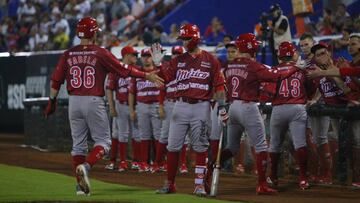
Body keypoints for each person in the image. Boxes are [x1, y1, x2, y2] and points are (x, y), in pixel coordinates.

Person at [44, 17, 163, 196]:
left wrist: (51, 101)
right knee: (104, 142)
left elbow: (55, 81)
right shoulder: (99, 52)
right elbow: (125, 69)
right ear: (93, 33)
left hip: (74, 101)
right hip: (93, 99)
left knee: (78, 146)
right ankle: (86, 166)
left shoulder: (68, 53)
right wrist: (147, 76)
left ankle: (80, 187)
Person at [151, 23, 228, 196]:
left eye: (186, 38)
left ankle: (199, 185)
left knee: (200, 147)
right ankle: (170, 184)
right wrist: (158, 65)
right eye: (183, 39)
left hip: (202, 106)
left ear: (195, 38)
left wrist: (222, 107)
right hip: (180, 105)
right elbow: (164, 79)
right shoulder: (178, 60)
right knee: (173, 147)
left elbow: (220, 86)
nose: (184, 42)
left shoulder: (211, 60)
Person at [221, 33, 300, 195]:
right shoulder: (253, 65)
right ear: (251, 47)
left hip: (232, 107)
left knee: (232, 147)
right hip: (247, 106)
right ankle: (262, 184)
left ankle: (209, 171)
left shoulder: (229, 65)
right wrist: (293, 69)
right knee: (262, 146)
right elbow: (276, 76)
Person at [267, 42, 309, 190]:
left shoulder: (274, 69)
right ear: (293, 54)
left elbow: (268, 92)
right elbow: (309, 88)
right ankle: (303, 178)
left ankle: (273, 176)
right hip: (298, 107)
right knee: (300, 144)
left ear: (279, 55)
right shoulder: (302, 69)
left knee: (275, 144)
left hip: (279, 108)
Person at [152, 45, 190, 174]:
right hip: (169, 103)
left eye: (179, 53)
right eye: (175, 53)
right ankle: (158, 163)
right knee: (164, 135)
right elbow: (162, 87)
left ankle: (183, 164)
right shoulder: (167, 68)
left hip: (183, 103)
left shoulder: (188, 68)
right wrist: (161, 105)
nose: (176, 55)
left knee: (184, 137)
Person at [104, 46, 141, 172]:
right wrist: (112, 107)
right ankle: (119, 161)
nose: (135, 57)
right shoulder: (115, 70)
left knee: (137, 134)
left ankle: (136, 161)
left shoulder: (138, 69)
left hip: (137, 106)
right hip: (120, 104)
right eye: (133, 54)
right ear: (126, 56)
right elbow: (109, 89)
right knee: (119, 134)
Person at [129, 48, 163, 173]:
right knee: (144, 135)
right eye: (144, 56)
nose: (146, 58)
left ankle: (159, 162)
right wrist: (132, 110)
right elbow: (131, 92)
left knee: (158, 135)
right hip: (141, 105)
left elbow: (163, 90)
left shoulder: (159, 71)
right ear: (141, 58)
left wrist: (161, 105)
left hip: (155, 105)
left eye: (149, 56)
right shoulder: (137, 72)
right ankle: (144, 162)